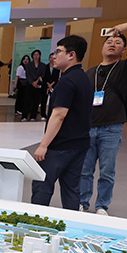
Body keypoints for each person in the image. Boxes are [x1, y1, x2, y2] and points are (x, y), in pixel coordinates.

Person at [80, 23, 127, 216]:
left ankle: (102, 206)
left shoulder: (126, 67)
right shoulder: (90, 72)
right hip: (89, 127)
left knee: (107, 171)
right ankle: (82, 202)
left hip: (111, 128)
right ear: (102, 47)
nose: (112, 44)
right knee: (85, 170)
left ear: (124, 50)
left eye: (118, 42)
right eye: (109, 42)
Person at [31, 35, 92, 210]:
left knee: (42, 185)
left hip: (60, 146)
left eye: (58, 52)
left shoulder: (68, 81)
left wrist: (43, 145)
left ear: (71, 55)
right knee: (71, 190)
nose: (54, 56)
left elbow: (59, 115)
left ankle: (36, 222)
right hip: (79, 144)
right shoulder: (83, 78)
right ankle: (71, 222)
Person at [24, 49, 46, 121]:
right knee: (27, 100)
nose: (36, 56)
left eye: (37, 55)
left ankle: (33, 116)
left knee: (36, 101)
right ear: (32, 56)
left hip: (38, 85)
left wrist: (37, 81)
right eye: (34, 55)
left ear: (39, 56)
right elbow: (28, 75)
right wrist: (32, 82)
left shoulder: (43, 65)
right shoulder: (28, 65)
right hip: (30, 85)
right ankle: (24, 116)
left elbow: (42, 75)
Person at [43, 53, 60, 119]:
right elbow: (44, 76)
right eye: (51, 57)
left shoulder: (57, 68)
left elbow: (56, 78)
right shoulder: (45, 67)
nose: (52, 59)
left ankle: (51, 114)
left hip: (53, 85)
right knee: (44, 100)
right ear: (49, 58)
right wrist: (48, 84)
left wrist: (51, 85)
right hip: (46, 85)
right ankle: (43, 114)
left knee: (52, 100)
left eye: (53, 58)